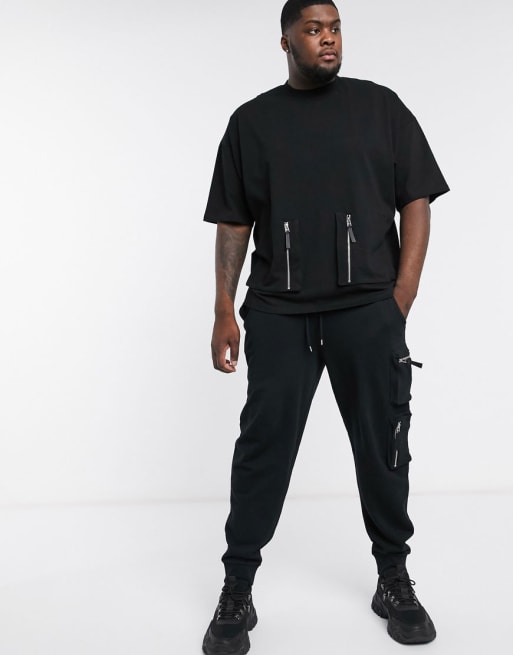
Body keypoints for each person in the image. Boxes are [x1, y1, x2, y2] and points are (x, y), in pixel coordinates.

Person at [201, 1, 449, 653]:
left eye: (335, 28)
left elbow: (416, 199)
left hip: (366, 309)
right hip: (279, 311)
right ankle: (236, 586)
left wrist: (400, 296)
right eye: (313, 30)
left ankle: (393, 577)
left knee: (384, 443)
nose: (328, 39)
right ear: (285, 41)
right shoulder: (252, 122)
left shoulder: (379, 108)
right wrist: (223, 307)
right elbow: (234, 222)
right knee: (262, 448)